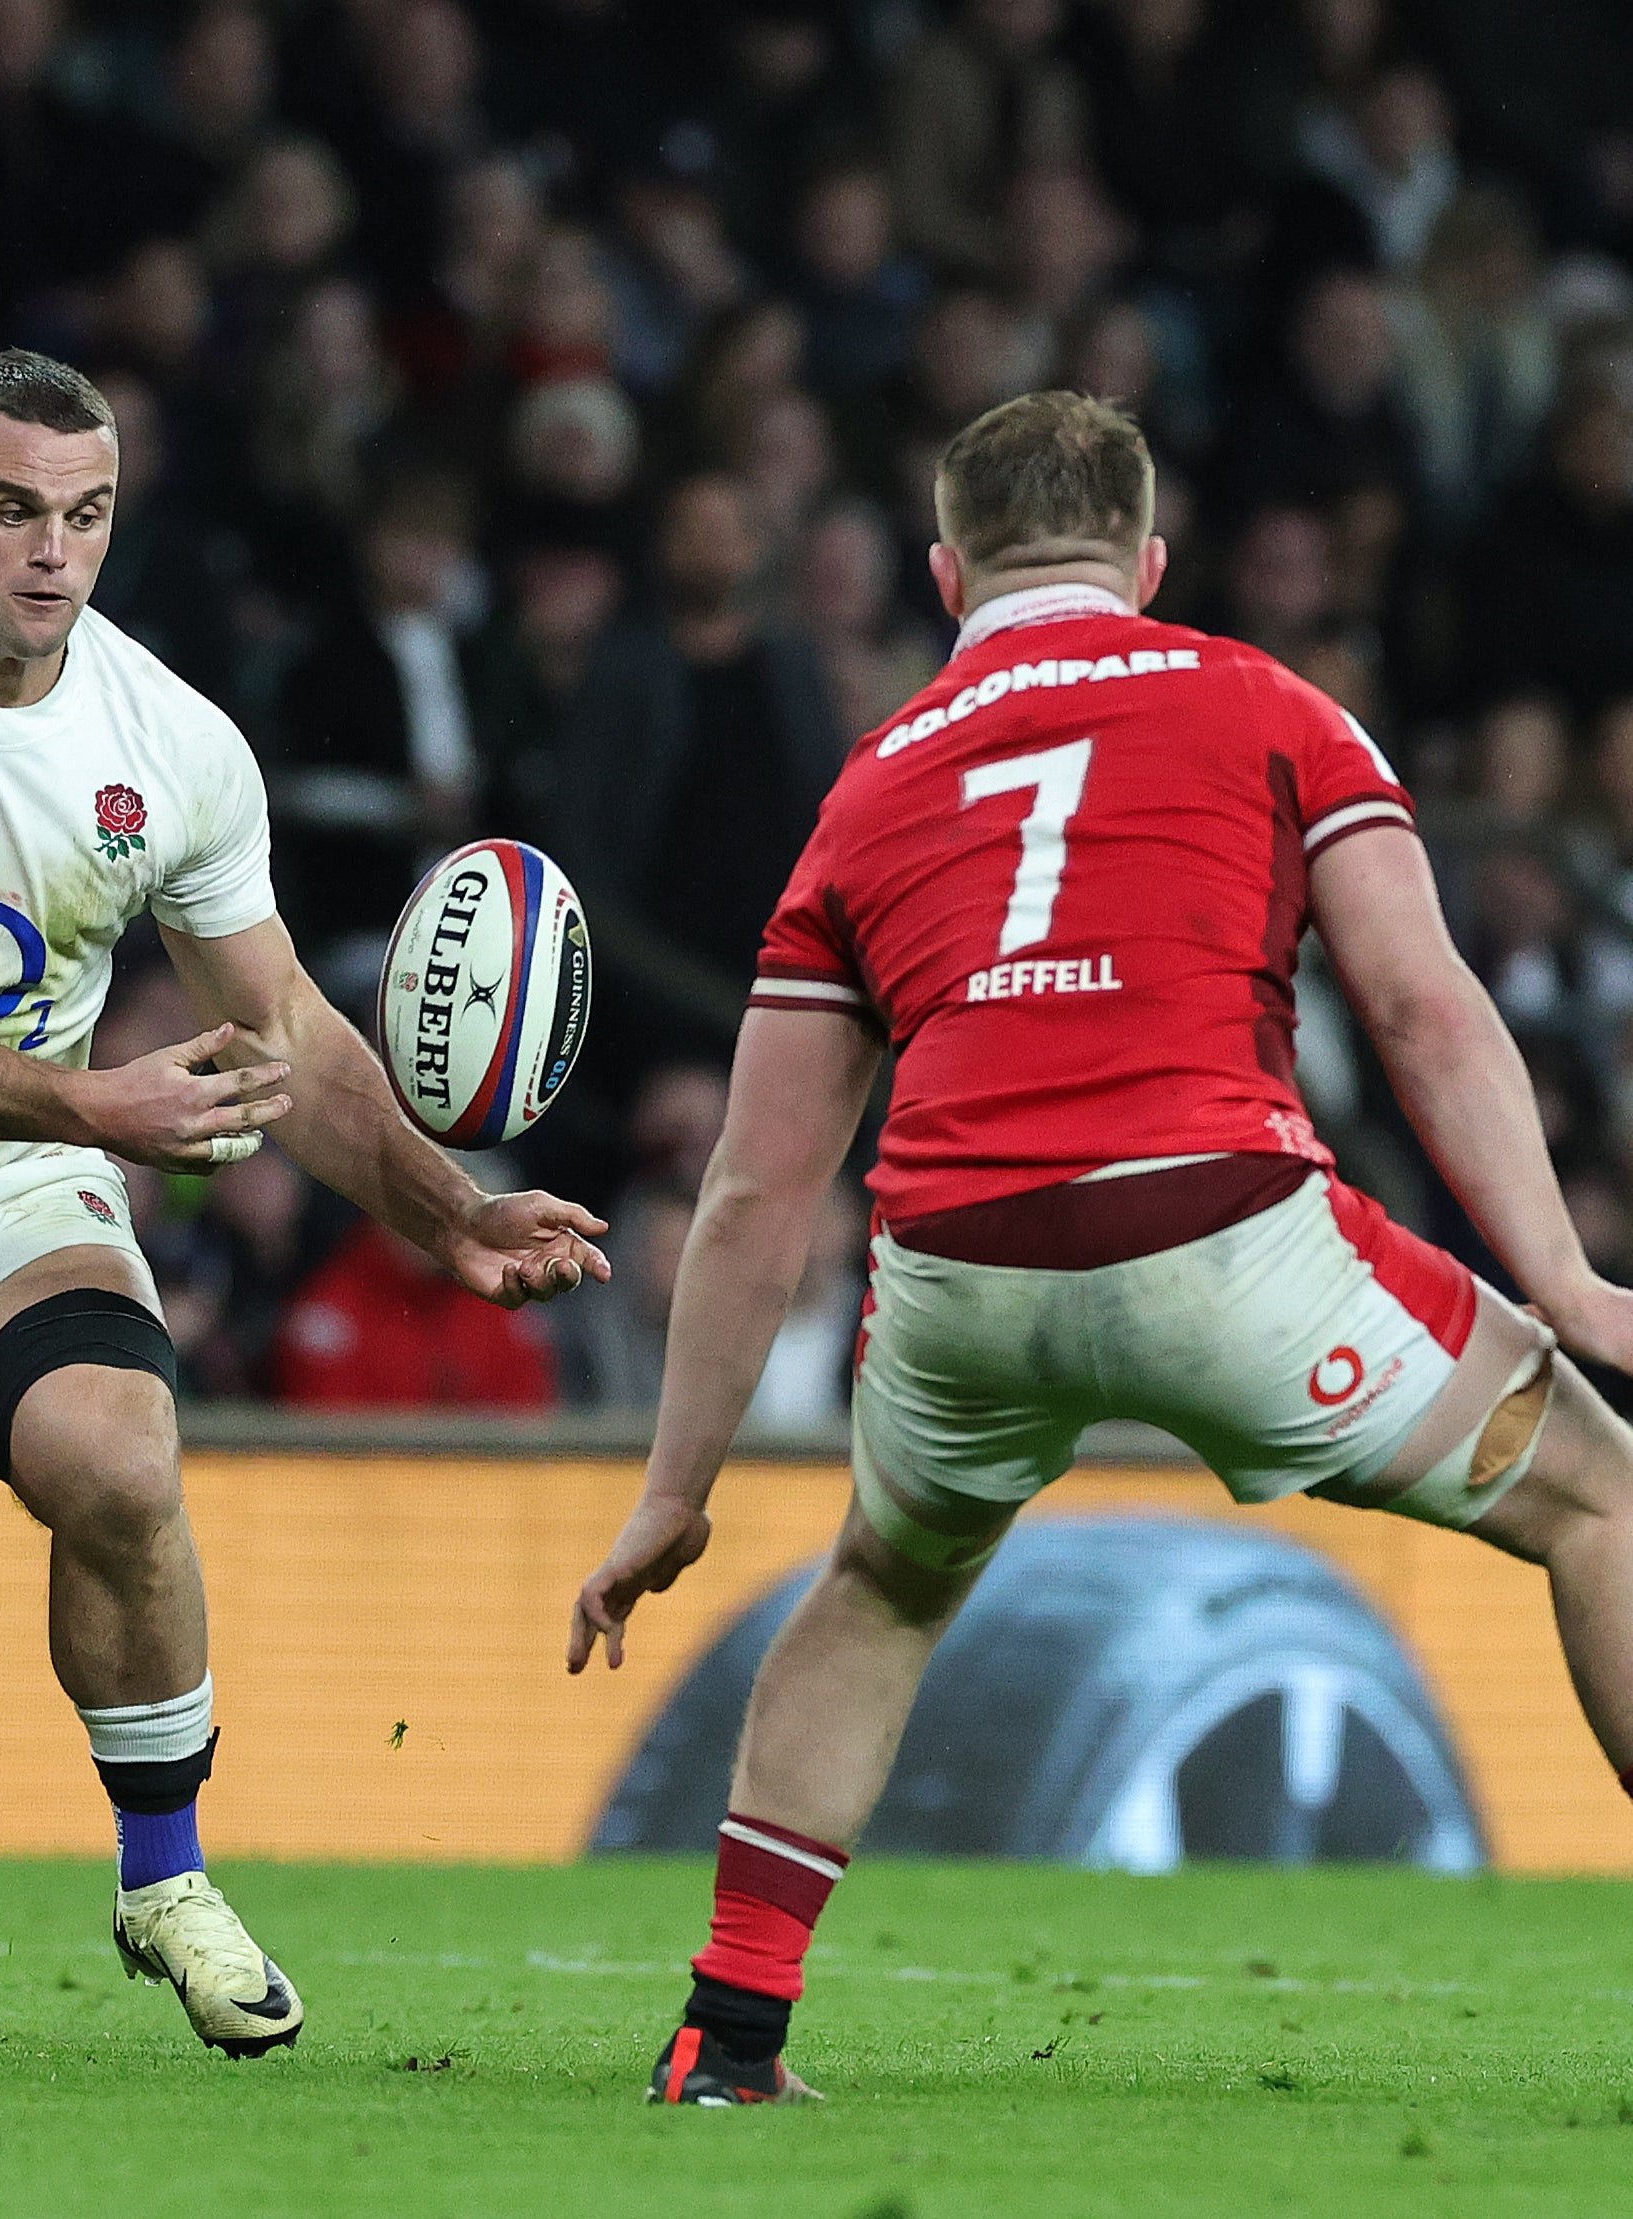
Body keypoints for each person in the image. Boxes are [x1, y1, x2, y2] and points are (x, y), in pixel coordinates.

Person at [567, 392, 1633, 2105]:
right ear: (1146, 561)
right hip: (1215, 1230)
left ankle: (728, 2037)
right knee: (1603, 1495)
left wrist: (673, 1486)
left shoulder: (869, 784)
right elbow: (1424, 1010)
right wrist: (1566, 1283)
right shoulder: (1273, 706)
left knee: (881, 1587)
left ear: (941, 572)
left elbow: (762, 1188)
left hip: (959, 1272)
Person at [0, 350, 606, 2058]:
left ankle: (162, 1879)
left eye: (85, 517)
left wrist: (445, 1212)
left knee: (120, 1458)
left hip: (5, 1186)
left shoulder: (171, 737)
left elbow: (289, 1038)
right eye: (12, 510)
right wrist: (101, 1103)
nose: (50, 552)